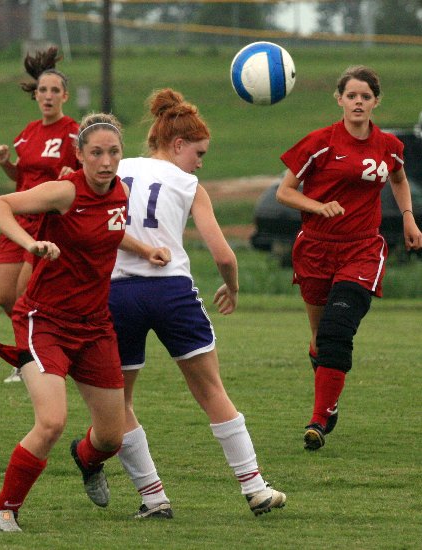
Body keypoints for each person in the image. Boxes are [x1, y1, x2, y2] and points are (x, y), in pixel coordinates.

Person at [0, 113, 170, 533]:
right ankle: (3, 512)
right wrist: (31, 243)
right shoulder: (65, 191)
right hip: (45, 321)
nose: (106, 161)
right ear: (80, 156)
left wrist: (145, 250)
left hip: (95, 326)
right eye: (96, 153)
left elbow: (107, 228)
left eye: (114, 152)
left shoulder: (120, 191)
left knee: (111, 437)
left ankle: (86, 458)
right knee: (51, 421)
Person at [109, 88, 286, 518]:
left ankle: (154, 498)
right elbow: (224, 255)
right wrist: (233, 287)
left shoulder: (116, 168)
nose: (200, 163)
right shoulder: (189, 184)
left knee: (120, 403)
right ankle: (255, 489)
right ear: (177, 144)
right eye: (199, 153)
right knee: (211, 391)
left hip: (118, 293)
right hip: (170, 291)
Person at [276, 65, 422, 451]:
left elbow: (398, 178)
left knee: (337, 330)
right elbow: (284, 192)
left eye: (365, 96)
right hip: (315, 248)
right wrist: (317, 206)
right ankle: (328, 385)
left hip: (362, 249)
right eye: (352, 95)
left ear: (376, 102)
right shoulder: (319, 142)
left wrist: (408, 217)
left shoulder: (389, 146)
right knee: (319, 339)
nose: (358, 102)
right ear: (339, 99)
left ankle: (319, 419)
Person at [0, 47, 78, 383]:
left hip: (46, 223)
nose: (48, 95)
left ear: (65, 96)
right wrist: (6, 164)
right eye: (43, 90)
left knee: (25, 295)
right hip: (17, 220)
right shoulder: (27, 133)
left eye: (55, 90)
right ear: (36, 94)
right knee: (4, 295)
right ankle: (36, 349)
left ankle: (29, 358)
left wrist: (73, 174)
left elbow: (88, 176)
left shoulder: (73, 133)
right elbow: (22, 179)